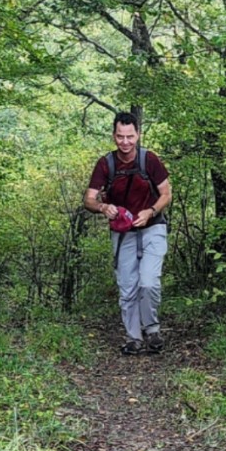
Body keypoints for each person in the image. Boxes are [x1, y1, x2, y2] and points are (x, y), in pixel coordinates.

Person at [84, 110, 172, 355]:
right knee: (128, 286)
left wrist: (150, 211)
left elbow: (166, 194)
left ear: (138, 135)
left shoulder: (150, 161)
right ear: (114, 136)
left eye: (130, 136)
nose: (125, 142)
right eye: (120, 136)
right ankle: (134, 337)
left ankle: (152, 330)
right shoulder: (106, 164)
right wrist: (103, 207)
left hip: (152, 227)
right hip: (123, 232)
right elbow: (88, 199)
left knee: (149, 281)